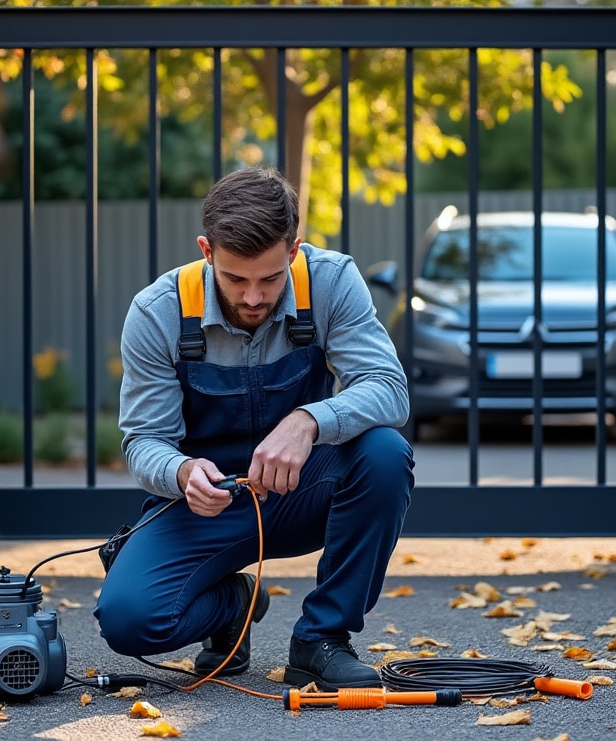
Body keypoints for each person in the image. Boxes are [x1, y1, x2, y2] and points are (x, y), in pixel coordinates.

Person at [93, 166, 413, 691]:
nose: (253, 298)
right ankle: (233, 606)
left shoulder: (331, 281)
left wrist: (310, 419)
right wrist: (181, 471)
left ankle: (322, 641)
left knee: (383, 453)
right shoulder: (157, 313)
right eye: (235, 278)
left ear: (293, 251)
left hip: (299, 490)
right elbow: (143, 441)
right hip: (205, 504)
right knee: (130, 620)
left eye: (270, 278)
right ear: (207, 250)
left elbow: (387, 386)